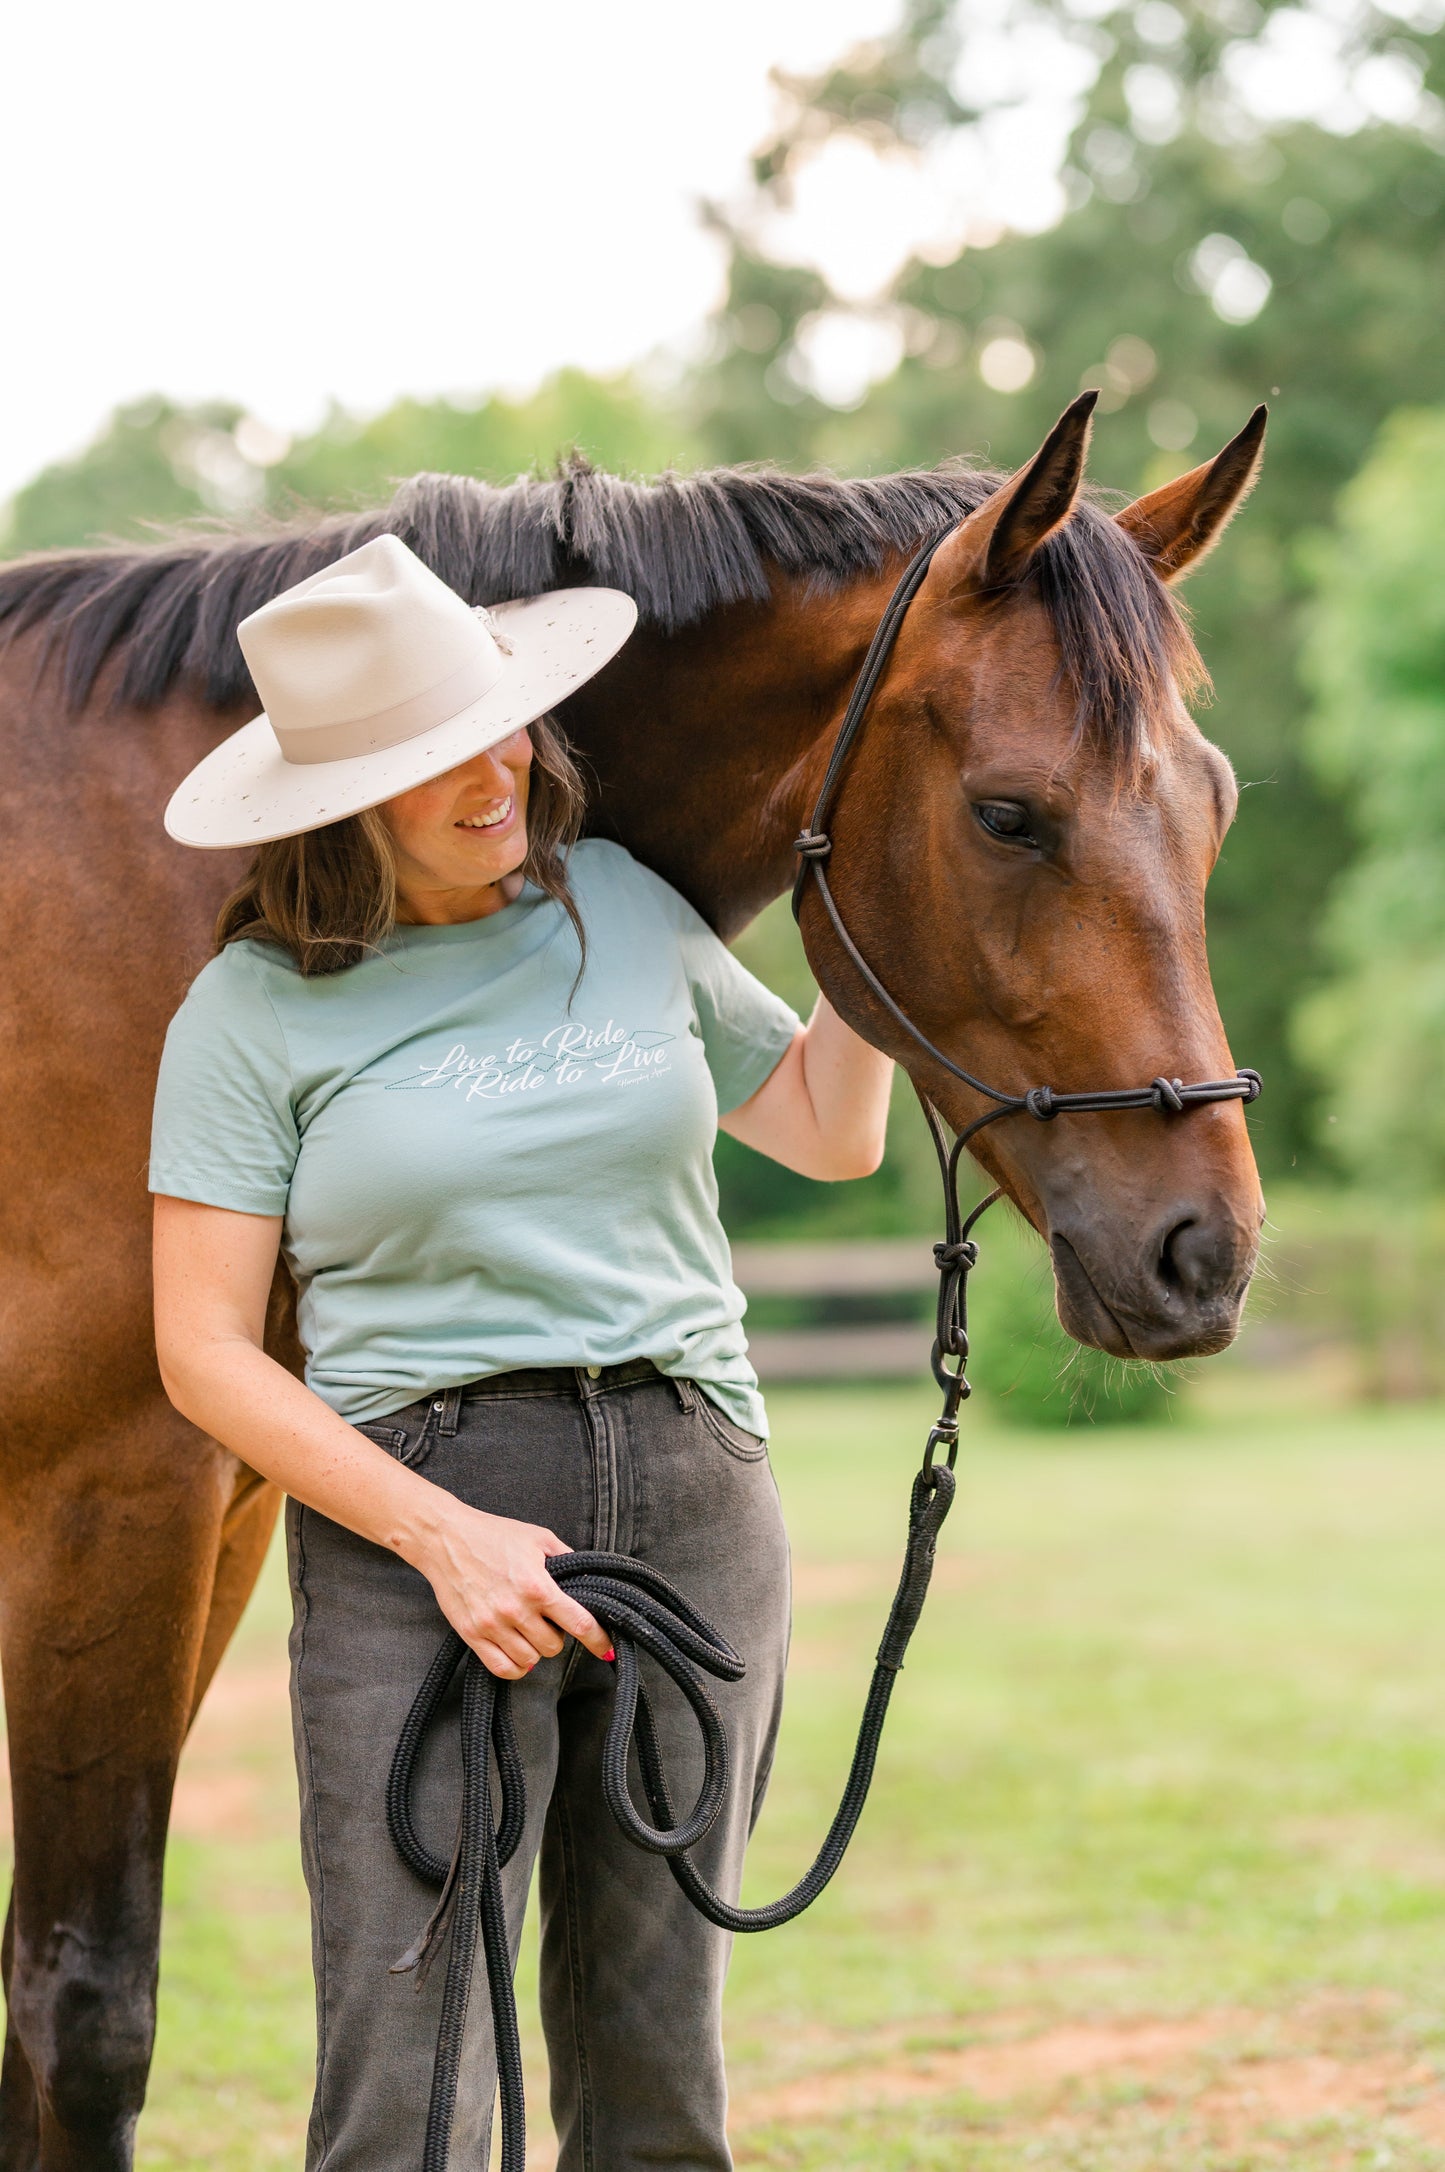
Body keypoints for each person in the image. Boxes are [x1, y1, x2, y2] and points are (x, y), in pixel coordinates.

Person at [150, 535, 893, 2170]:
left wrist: (881, 921)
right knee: (408, 2072)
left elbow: (831, 1133)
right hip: (422, 1513)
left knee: (655, 2050)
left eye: (502, 729)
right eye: (436, 759)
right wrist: (443, 1538)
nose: (496, 773)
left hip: (694, 1493)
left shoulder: (618, 906)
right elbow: (203, 1353)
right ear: (344, 799)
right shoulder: (252, 1013)